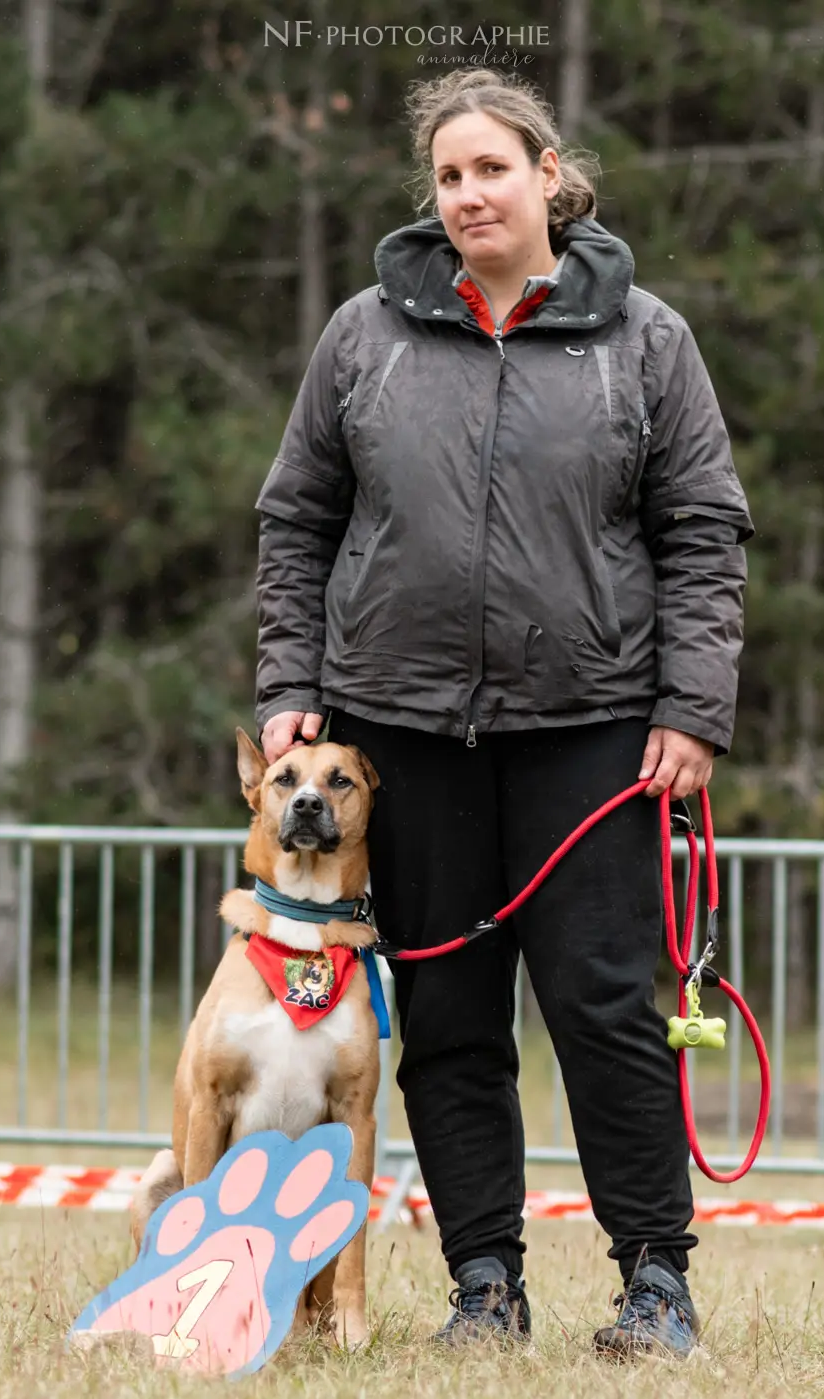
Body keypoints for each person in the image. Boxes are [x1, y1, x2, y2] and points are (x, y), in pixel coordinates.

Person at [251, 69, 752, 1357]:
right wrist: (290, 687)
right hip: (401, 731)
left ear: (549, 177)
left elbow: (701, 535)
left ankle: (655, 1280)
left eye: (492, 169)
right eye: (448, 175)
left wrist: (692, 706)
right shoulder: (363, 335)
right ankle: (483, 1284)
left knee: (597, 1005)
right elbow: (296, 521)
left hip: (590, 730)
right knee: (451, 1022)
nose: (469, 193)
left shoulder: (646, 340)